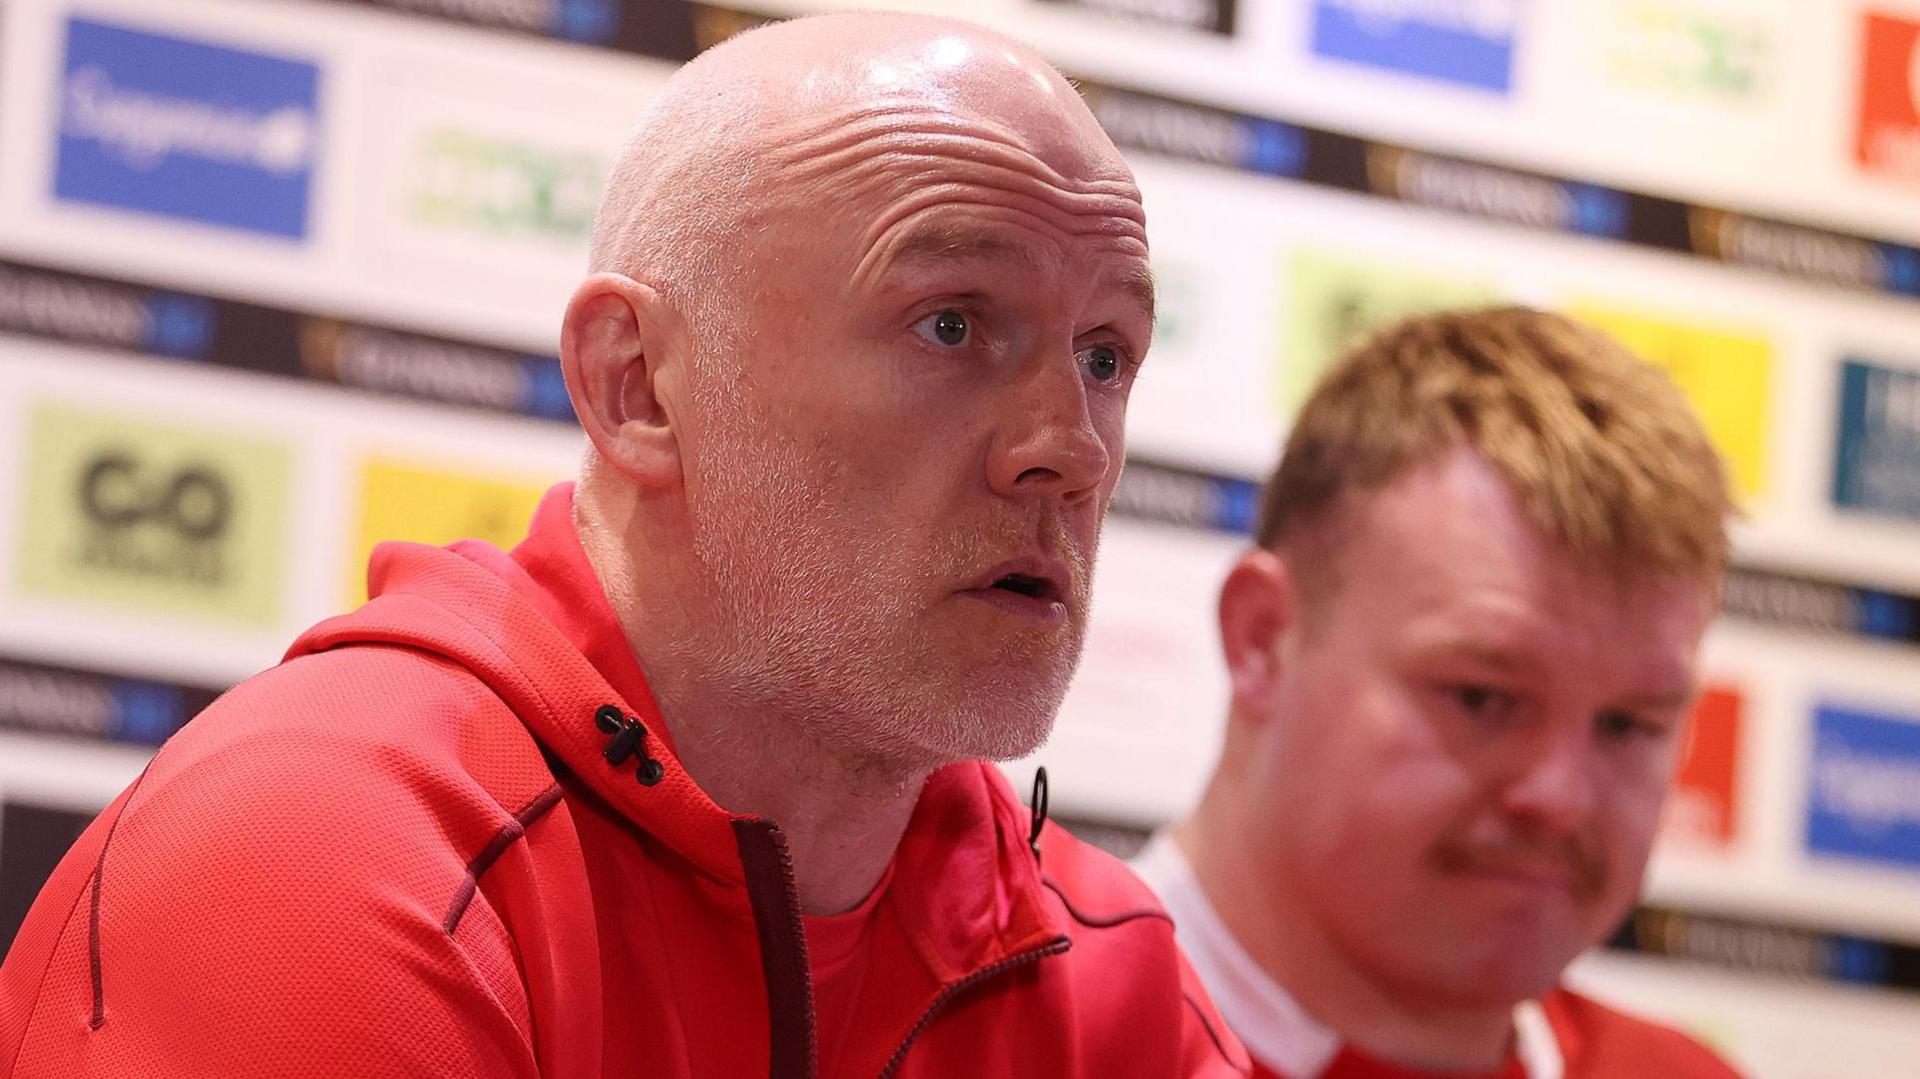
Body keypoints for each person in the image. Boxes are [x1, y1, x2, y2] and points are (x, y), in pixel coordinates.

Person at [0, 13, 1247, 1078]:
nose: (1067, 446)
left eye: (1104, 356)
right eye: (951, 323)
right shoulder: (317, 861)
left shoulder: (1105, 975)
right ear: (638, 383)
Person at [1133, 308, 1743, 1079]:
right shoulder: (1001, 1039)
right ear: (1263, 639)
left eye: (1626, 723)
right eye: (1483, 697)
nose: (1560, 796)